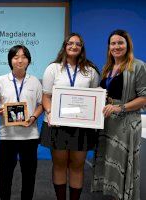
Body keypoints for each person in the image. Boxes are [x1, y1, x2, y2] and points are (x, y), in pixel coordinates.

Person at [40, 33, 100, 200]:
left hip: (81, 126)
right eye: (70, 43)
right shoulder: (53, 68)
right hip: (57, 124)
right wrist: (51, 113)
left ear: (82, 48)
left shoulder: (90, 71)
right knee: (59, 165)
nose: (74, 46)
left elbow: (95, 96)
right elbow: (46, 96)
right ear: (65, 46)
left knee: (77, 165)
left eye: (78, 44)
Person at [92, 29, 146, 200]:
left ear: (128, 45)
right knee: (111, 165)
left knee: (123, 164)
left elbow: (144, 98)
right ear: (109, 47)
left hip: (126, 124)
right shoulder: (107, 68)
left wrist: (119, 107)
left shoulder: (138, 66)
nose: (116, 46)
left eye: (120, 43)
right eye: (113, 43)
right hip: (108, 123)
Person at [0, 45, 43, 200]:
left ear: (28, 60)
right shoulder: (1, 81)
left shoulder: (35, 82)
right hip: (7, 137)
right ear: (10, 60)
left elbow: (41, 104)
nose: (20, 60)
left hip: (30, 136)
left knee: (29, 176)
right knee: (5, 176)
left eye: (24, 56)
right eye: (16, 57)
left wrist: (33, 118)